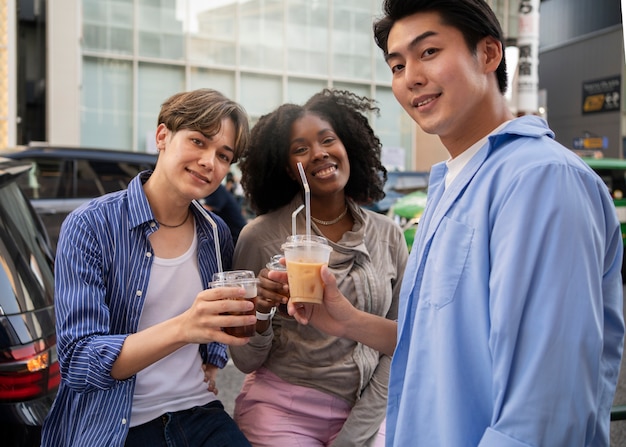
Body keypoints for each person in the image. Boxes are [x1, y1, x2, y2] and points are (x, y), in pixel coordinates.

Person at [284, 1, 626, 446]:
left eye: (428, 53)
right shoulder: (450, 184)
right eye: (397, 64)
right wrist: (348, 321)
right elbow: (440, 345)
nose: (411, 78)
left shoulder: (539, 179)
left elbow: (545, 404)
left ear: (488, 54)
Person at [41, 88, 255, 447]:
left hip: (199, 411)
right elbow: (79, 361)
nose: (209, 162)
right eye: (198, 141)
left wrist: (214, 359)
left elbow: (221, 315)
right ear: (162, 137)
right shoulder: (91, 225)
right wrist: (184, 327)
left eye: (223, 155)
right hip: (117, 424)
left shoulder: (215, 233)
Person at [228, 88, 408, 447]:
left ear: (348, 147)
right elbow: (245, 359)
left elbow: (401, 343)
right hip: (283, 408)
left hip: (370, 406)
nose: (319, 153)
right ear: (287, 169)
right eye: (300, 148)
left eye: (328, 140)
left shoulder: (388, 235)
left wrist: (354, 436)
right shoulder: (261, 237)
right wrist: (261, 311)